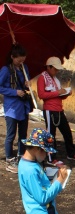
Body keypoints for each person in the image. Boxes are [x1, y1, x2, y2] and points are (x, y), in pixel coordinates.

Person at [37, 56, 75, 166]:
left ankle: (71, 153)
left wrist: (65, 94)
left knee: (67, 131)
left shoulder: (55, 79)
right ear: (49, 67)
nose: (56, 71)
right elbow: (41, 94)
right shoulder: (42, 78)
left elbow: (58, 95)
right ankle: (51, 158)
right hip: (49, 109)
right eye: (55, 69)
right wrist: (58, 93)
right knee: (50, 134)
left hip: (58, 109)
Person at [0, 44, 31, 173]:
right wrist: (15, 92)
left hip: (23, 106)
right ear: (12, 57)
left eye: (23, 59)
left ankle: (21, 156)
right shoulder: (6, 70)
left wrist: (27, 84)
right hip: (12, 107)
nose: (21, 62)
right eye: (18, 60)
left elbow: (27, 85)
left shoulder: (25, 68)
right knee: (11, 134)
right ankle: (9, 159)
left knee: (23, 134)